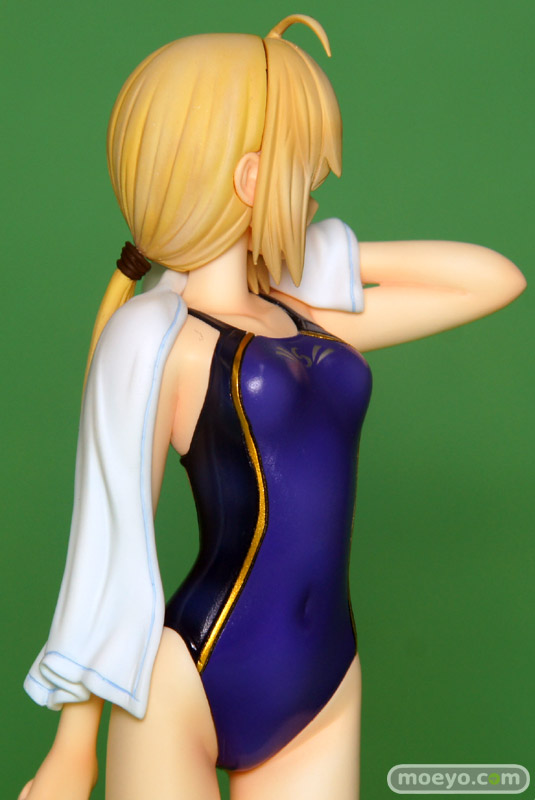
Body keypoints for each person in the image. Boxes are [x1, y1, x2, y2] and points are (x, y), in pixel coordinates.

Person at [19, 14, 526, 800]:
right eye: (303, 167)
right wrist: (72, 746)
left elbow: (492, 280)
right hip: (184, 681)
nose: (317, 183)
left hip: (323, 685)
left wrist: (311, 256)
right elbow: (110, 535)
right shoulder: (157, 336)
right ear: (250, 176)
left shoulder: (304, 313)